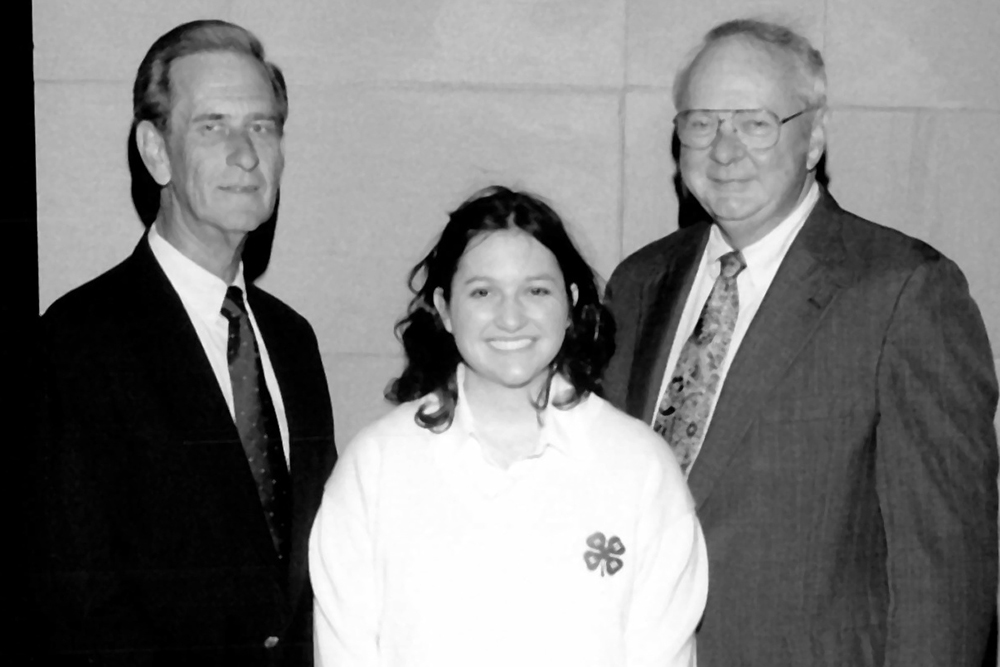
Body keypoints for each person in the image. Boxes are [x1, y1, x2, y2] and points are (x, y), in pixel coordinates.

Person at [603, 17, 999, 667]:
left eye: (756, 123)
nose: (724, 149)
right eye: (700, 123)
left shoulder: (905, 293)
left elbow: (944, 570)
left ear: (813, 137)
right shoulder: (638, 283)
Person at [33, 20, 337, 664]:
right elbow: (74, 600)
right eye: (213, 125)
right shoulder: (79, 342)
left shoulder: (292, 341)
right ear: (156, 151)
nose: (246, 153)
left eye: (263, 126)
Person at [309, 186, 707, 667]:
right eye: (482, 292)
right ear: (444, 308)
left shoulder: (641, 469)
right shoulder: (375, 467)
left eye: (536, 290)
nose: (511, 317)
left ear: (571, 302)